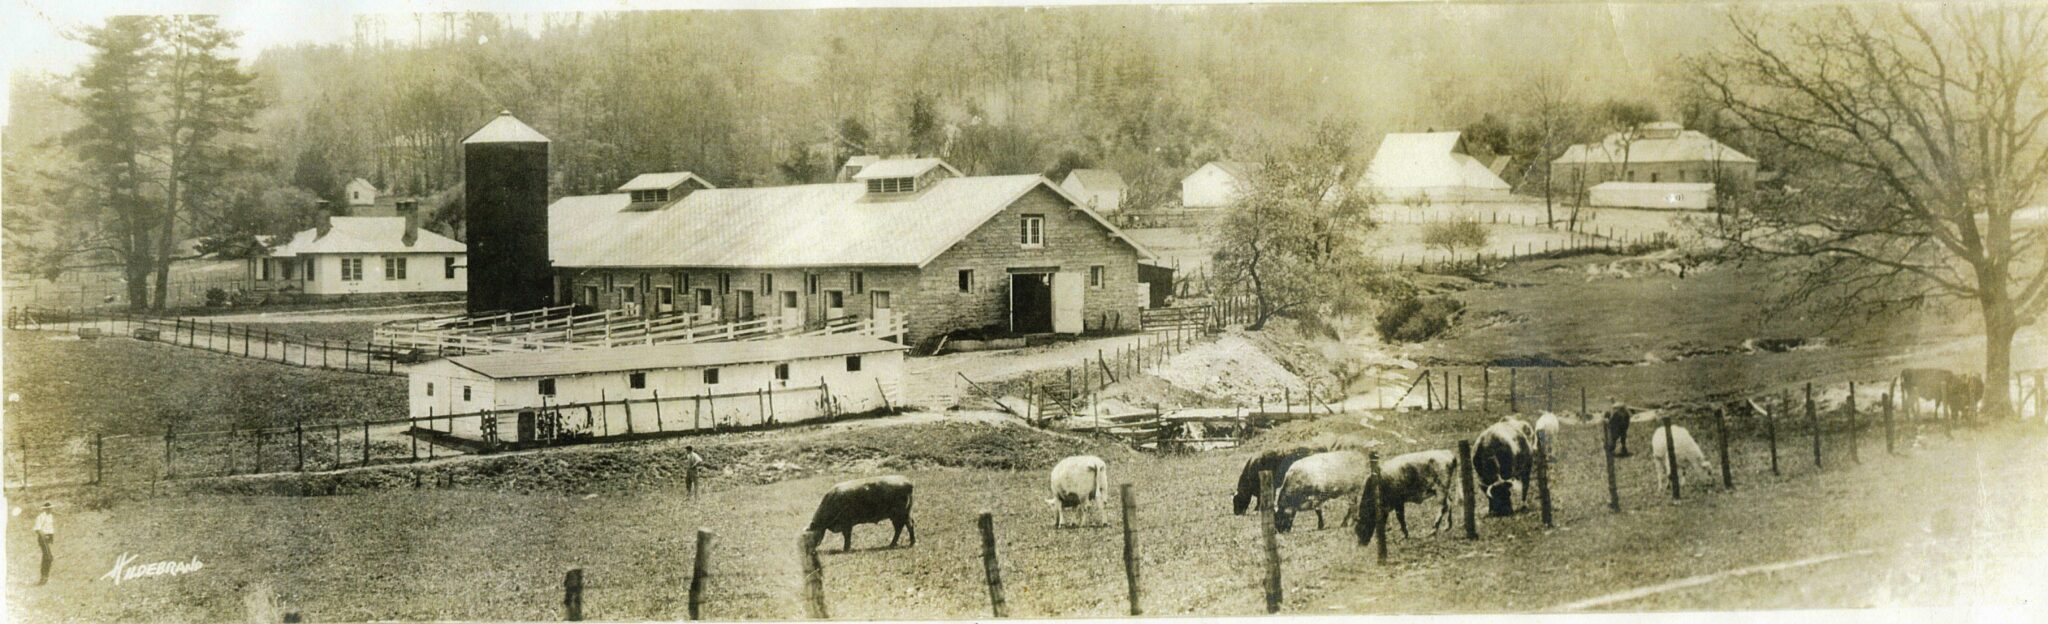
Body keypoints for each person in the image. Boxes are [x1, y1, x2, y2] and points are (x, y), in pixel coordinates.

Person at [32, 503, 54, 586]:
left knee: (47, 557)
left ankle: (45, 577)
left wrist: (51, 537)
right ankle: (43, 577)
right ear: (44, 509)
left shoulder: (50, 516)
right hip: (42, 538)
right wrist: (44, 537)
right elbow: (37, 529)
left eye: (51, 508)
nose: (50, 510)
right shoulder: (40, 517)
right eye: (48, 508)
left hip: (47, 538)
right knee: (49, 557)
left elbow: (50, 528)